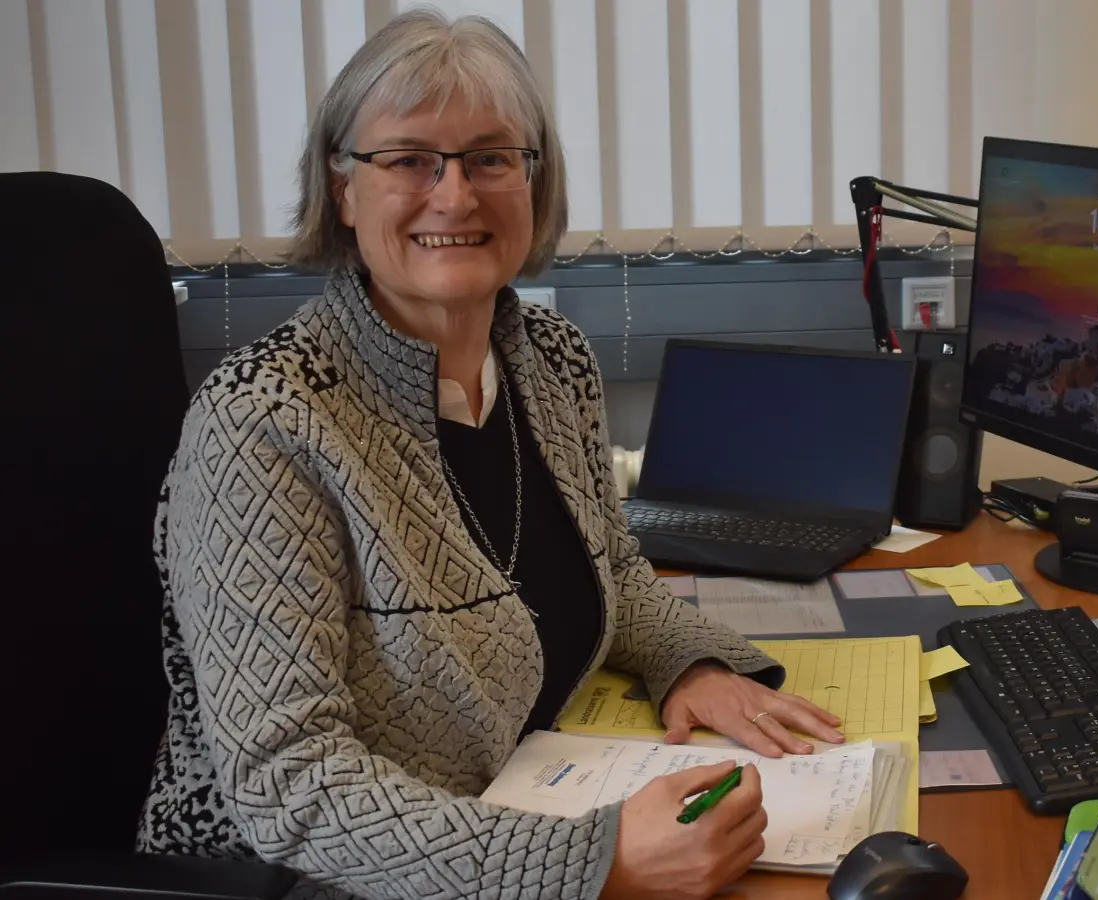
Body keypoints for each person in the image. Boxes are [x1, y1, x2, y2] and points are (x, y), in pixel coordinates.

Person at [136, 9, 844, 899]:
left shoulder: (550, 359)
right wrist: (596, 864)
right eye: (408, 160)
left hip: (532, 799)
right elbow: (287, 783)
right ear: (344, 189)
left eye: (490, 157)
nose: (456, 195)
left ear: (534, 182)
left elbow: (610, 570)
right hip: (310, 879)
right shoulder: (262, 424)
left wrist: (692, 664)